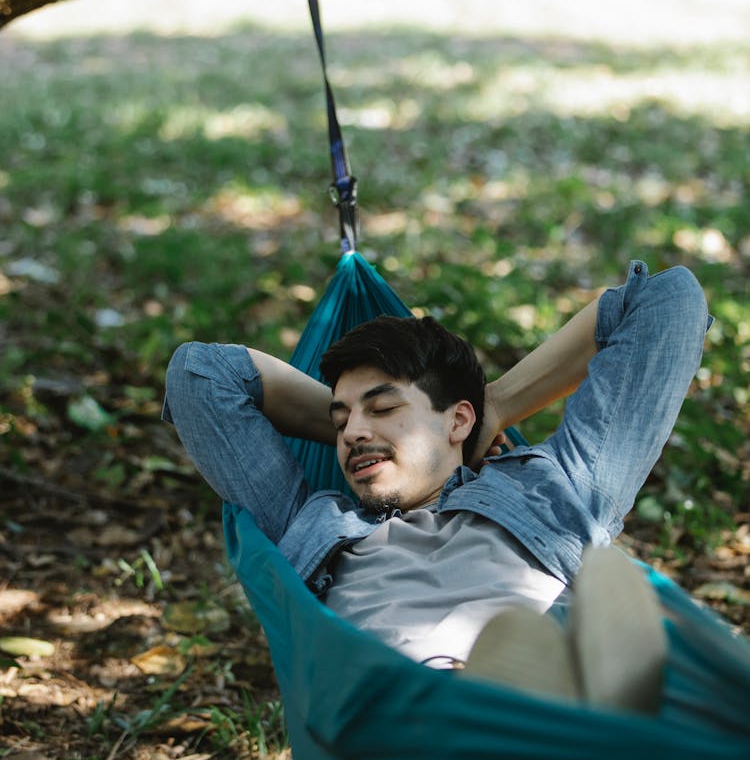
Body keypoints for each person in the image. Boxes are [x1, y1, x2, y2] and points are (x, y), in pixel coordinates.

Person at [162, 260, 712, 708]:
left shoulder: (556, 487)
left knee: (692, 664)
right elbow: (201, 374)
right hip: (404, 730)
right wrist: (375, 430)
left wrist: (497, 403)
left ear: (459, 420)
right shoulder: (311, 522)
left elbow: (668, 300)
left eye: (382, 407)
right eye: (340, 421)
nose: (351, 432)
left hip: (554, 724)